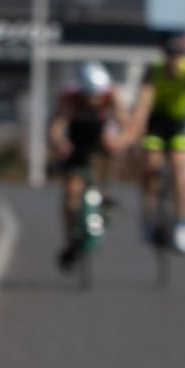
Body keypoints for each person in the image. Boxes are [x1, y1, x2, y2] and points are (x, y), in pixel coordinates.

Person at [127, 33, 185, 253]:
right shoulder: (153, 72)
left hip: (178, 124)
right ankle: (148, 216)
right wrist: (136, 135)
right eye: (170, 56)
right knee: (151, 165)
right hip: (156, 122)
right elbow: (142, 107)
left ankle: (183, 225)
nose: (174, 61)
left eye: (178, 56)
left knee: (179, 167)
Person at [48, 60, 128, 270]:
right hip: (77, 142)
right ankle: (71, 241)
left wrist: (121, 142)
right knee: (71, 194)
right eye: (89, 95)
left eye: (97, 95)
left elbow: (123, 122)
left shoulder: (111, 95)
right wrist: (60, 142)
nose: (94, 100)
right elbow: (57, 126)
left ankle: (106, 192)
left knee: (110, 150)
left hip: (101, 138)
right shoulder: (70, 98)